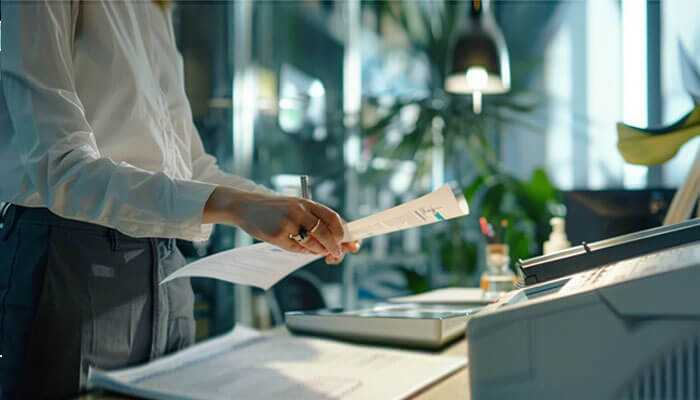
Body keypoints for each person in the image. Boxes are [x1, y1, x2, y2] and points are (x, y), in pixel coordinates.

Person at [0, 1, 359, 398]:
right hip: (72, 262)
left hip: (169, 269)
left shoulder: (156, 10)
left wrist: (287, 211)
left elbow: (191, 168)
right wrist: (240, 206)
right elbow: (61, 169)